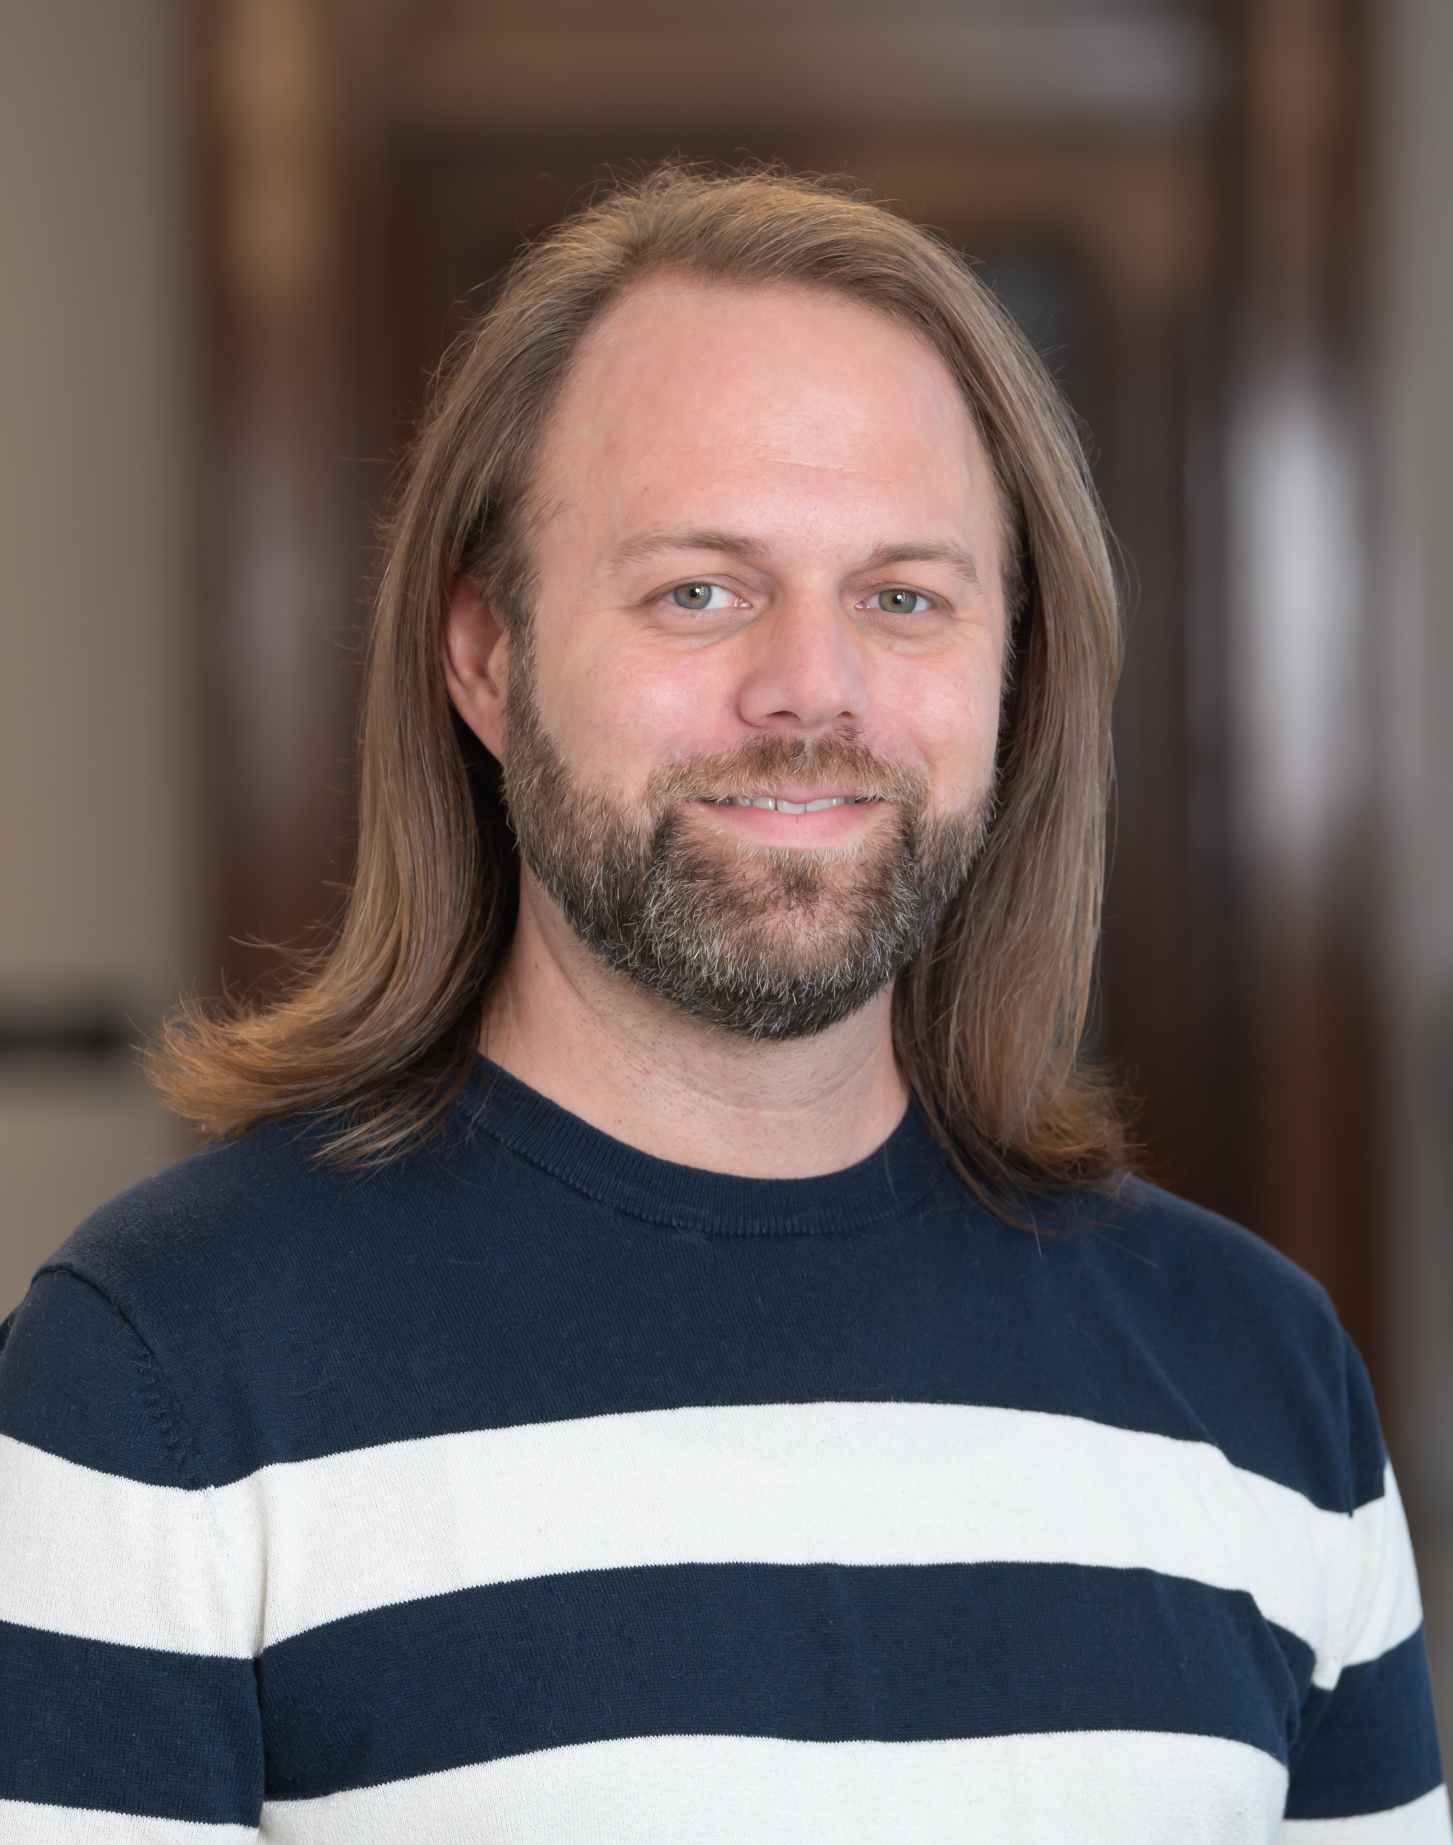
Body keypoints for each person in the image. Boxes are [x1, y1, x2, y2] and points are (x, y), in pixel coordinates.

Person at [1, 157, 1447, 1842]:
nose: (810, 692)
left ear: (1012, 671)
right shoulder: (158, 1373)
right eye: (699, 589)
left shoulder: (1261, 1381)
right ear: (485, 655)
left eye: (902, 597)